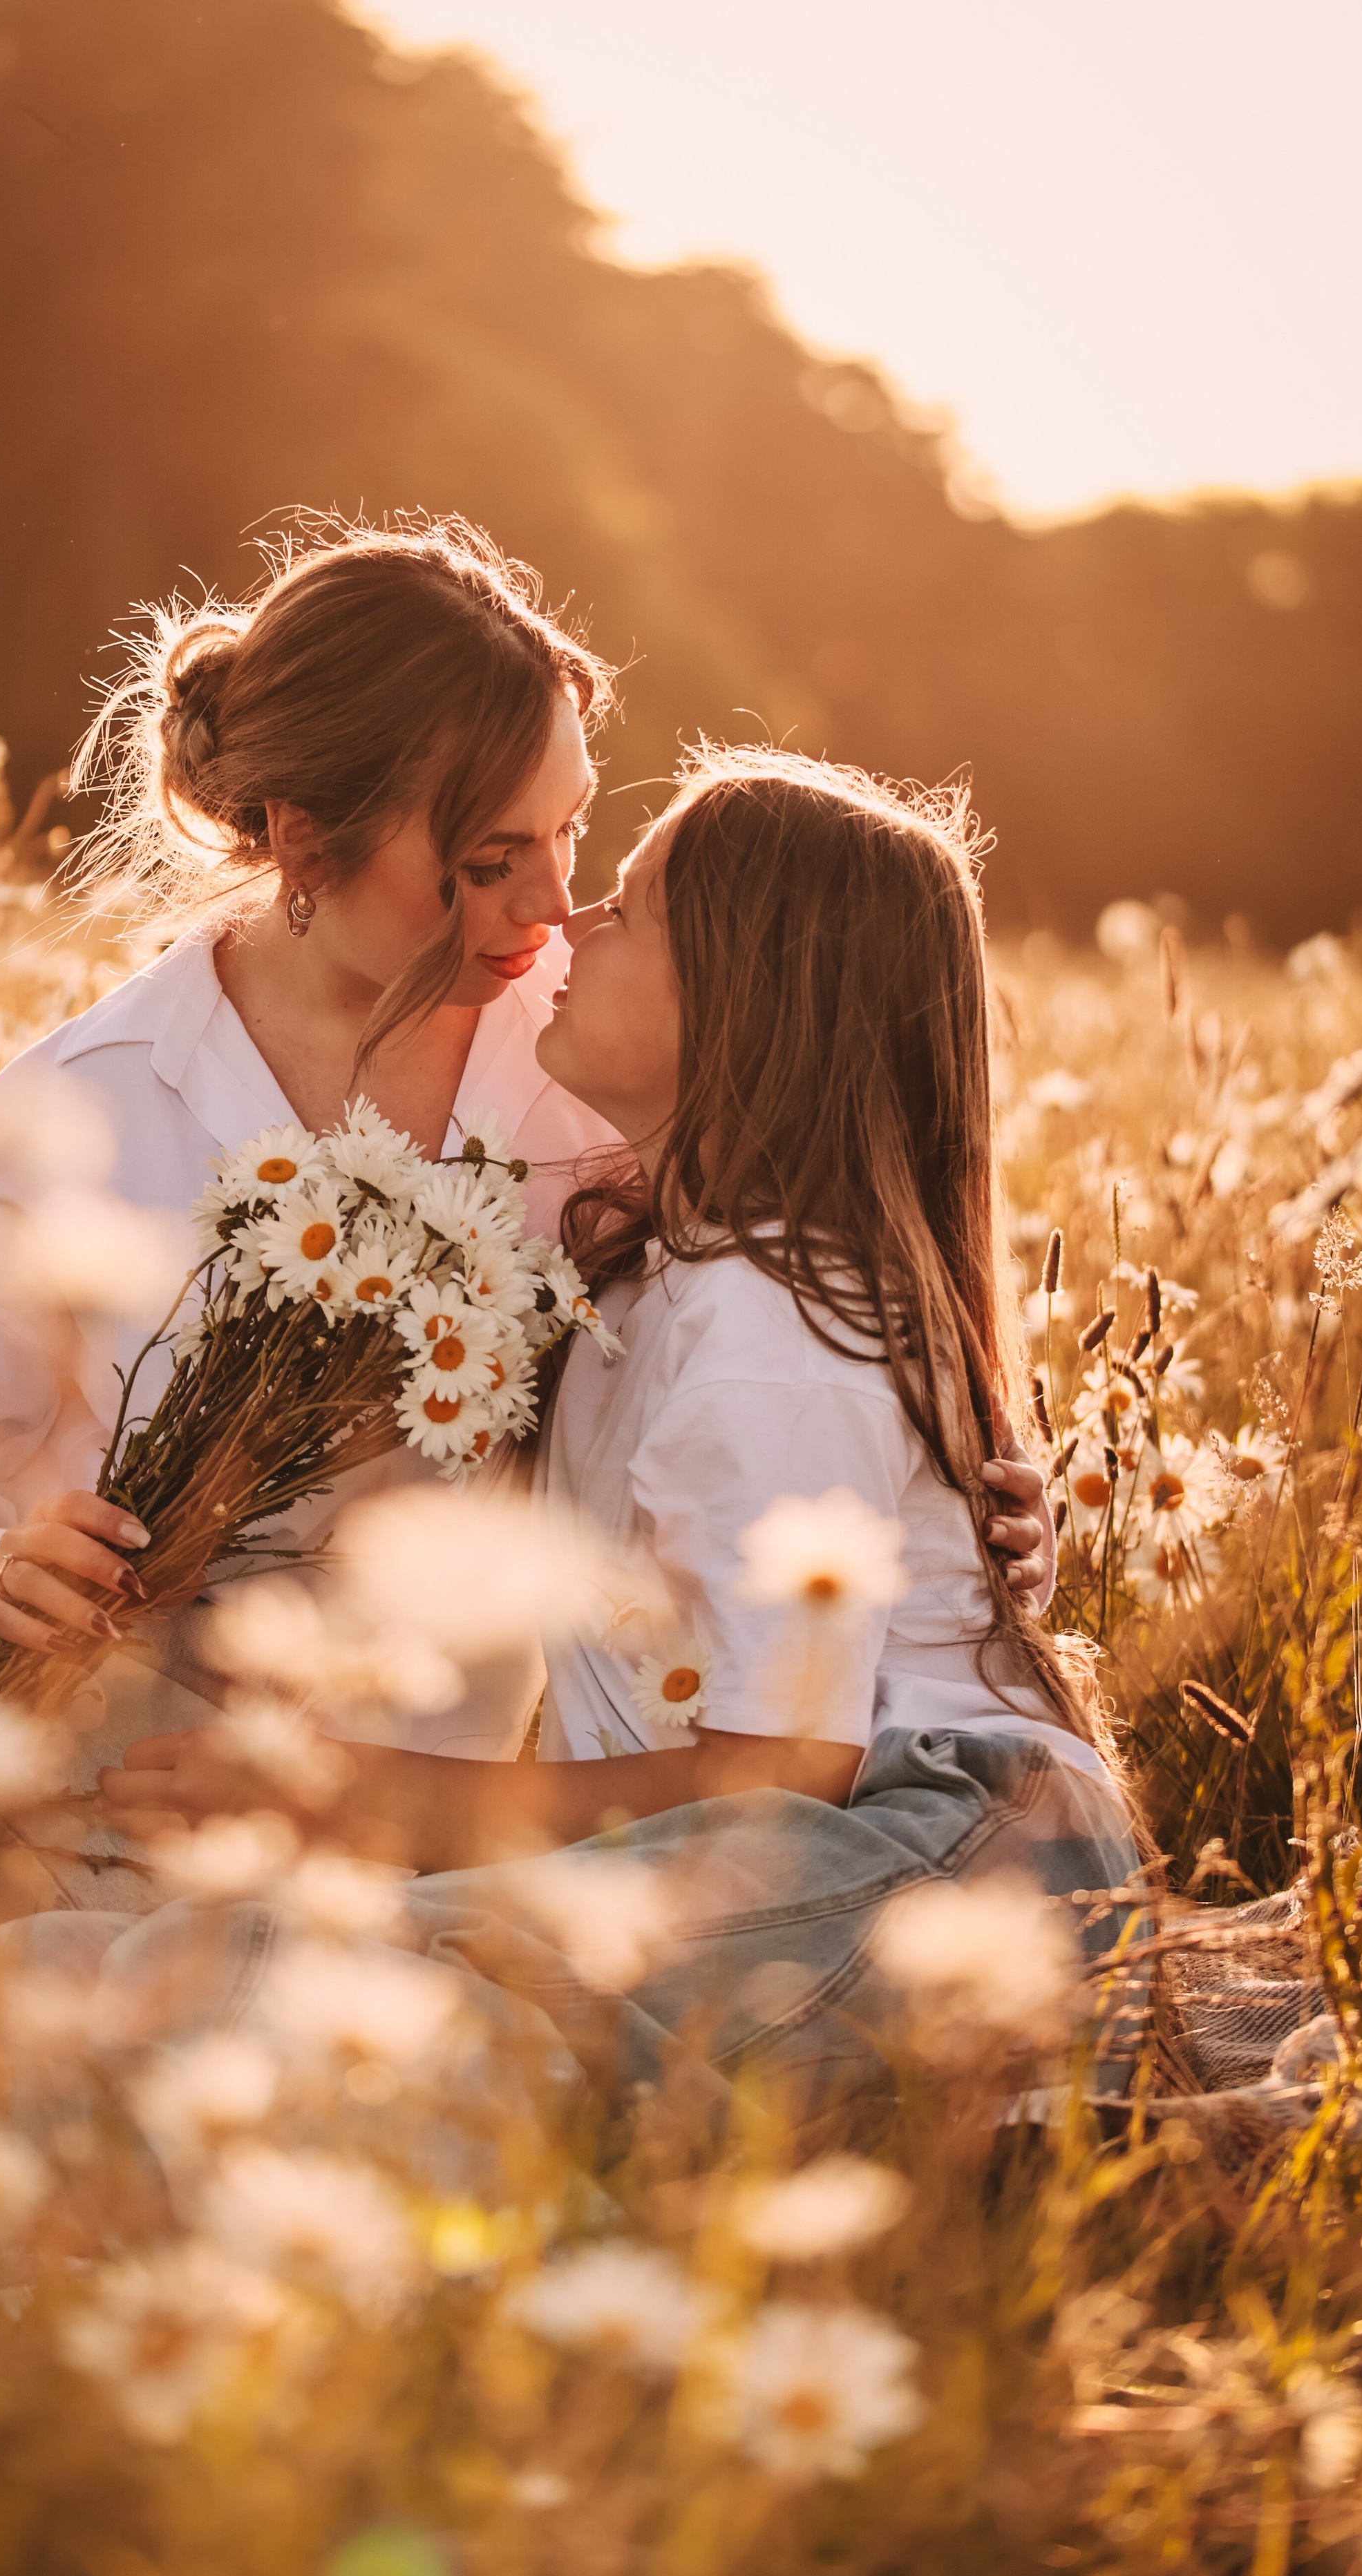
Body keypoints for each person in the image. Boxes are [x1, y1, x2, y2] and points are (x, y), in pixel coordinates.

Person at [0, 519, 1053, 1902]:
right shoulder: (86, 1110)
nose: (553, 907)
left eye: (570, 831)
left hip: (489, 1840)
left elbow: (799, 1323)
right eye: (484, 859)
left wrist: (972, 1505)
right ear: (297, 839)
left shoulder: (601, 1063)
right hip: (135, 1810)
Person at [70, 746, 1138, 2121]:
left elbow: (779, 1782)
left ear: (746, 998)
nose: (571, 923)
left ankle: (957, 2128)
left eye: (629, 907)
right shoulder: (653, 1274)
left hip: (939, 1856)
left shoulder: (771, 1328)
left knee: (276, 1984)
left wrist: (358, 1796)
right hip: (827, 1851)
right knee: (197, 1979)